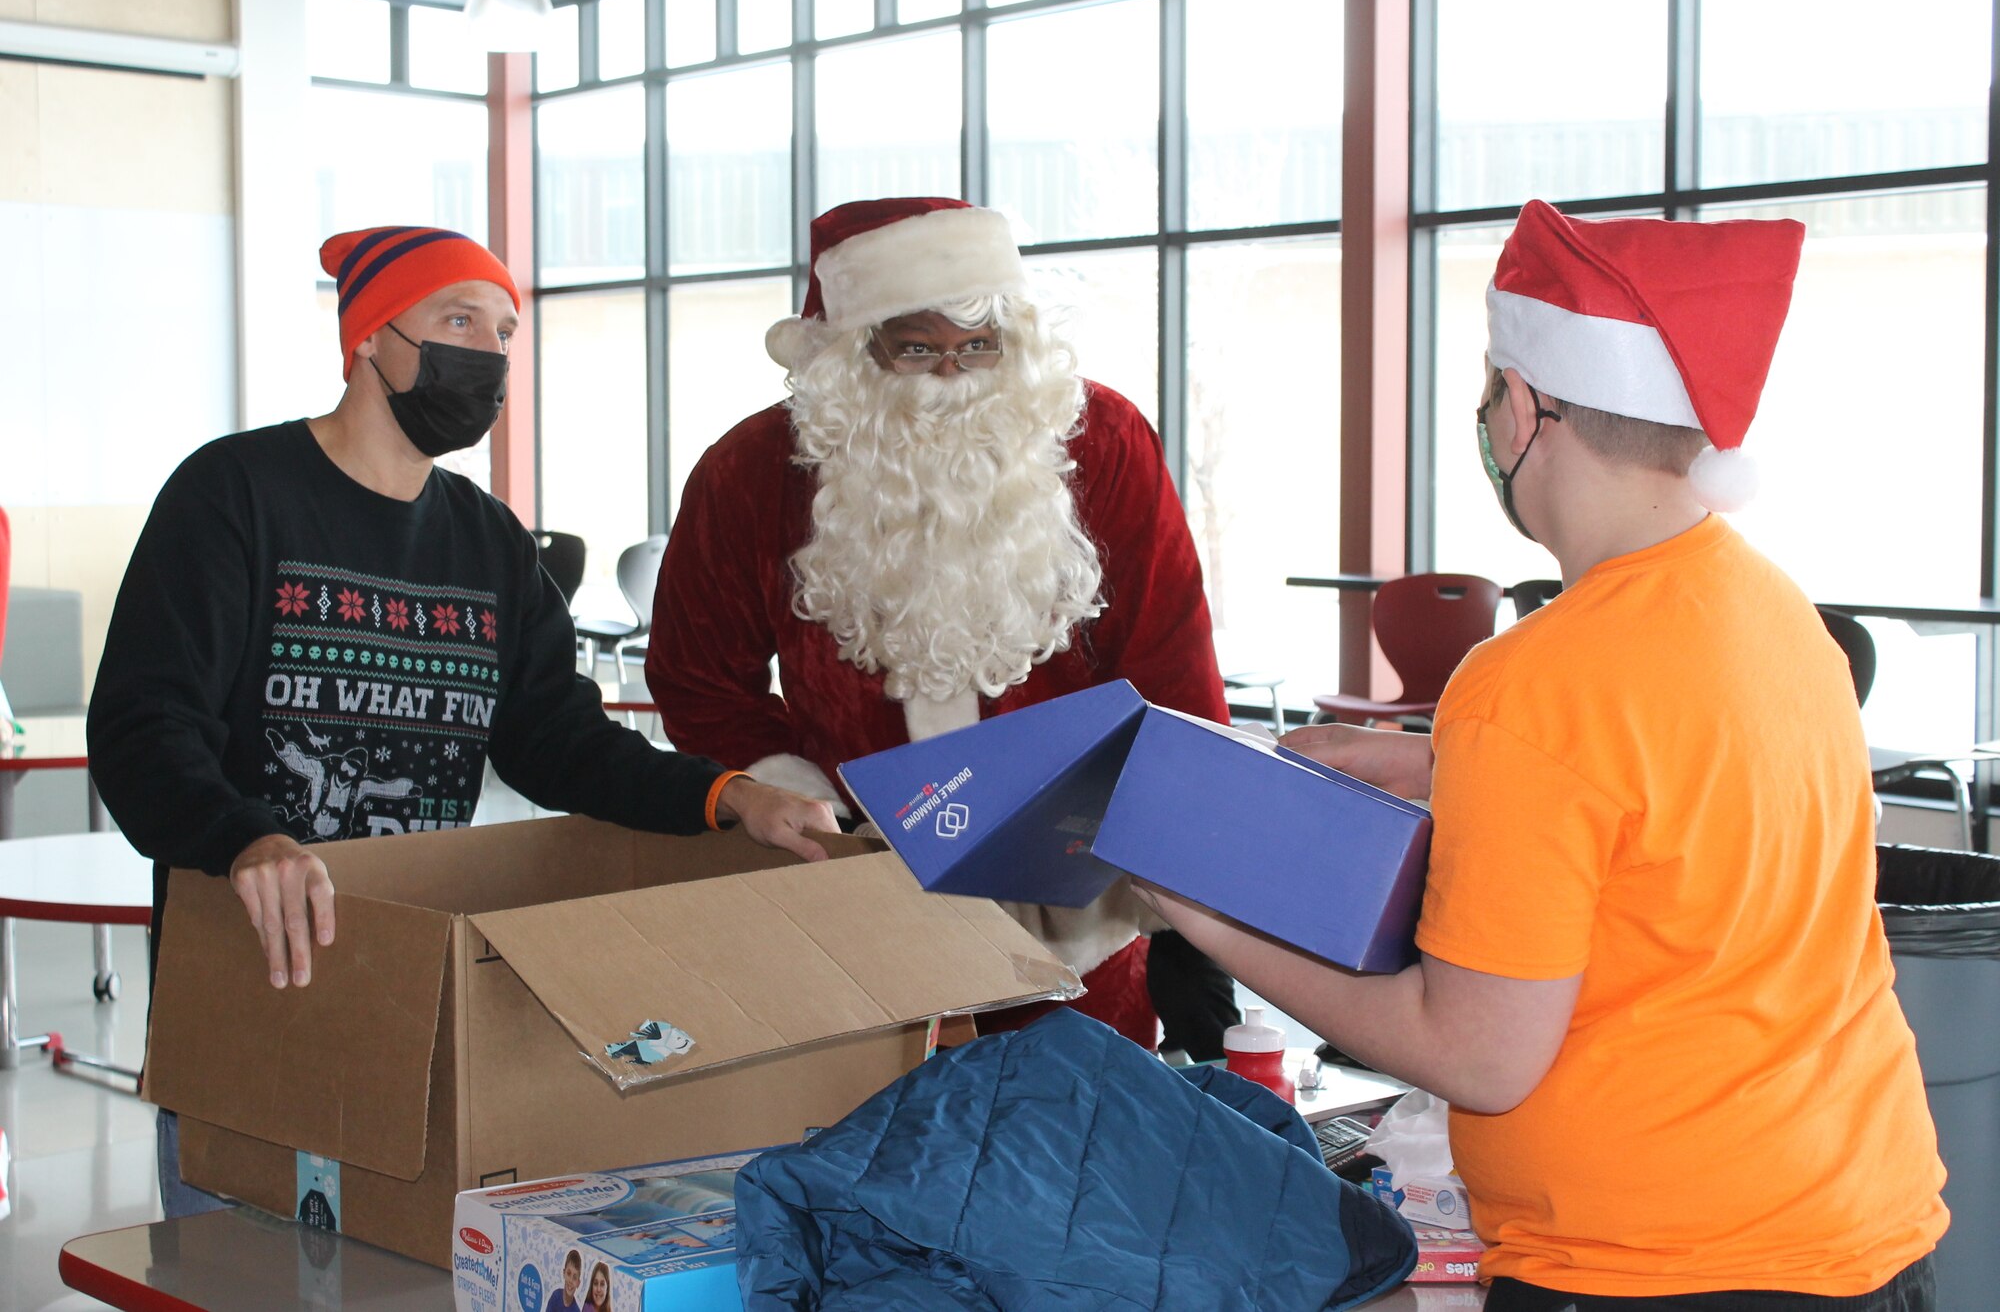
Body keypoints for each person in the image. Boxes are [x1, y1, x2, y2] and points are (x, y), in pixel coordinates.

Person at [1141, 200, 1946, 1308]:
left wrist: (1208, 913)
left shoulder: (1533, 682)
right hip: (1860, 1225)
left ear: (1521, 407)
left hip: (1663, 1275)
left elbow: (1475, 1054)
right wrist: (1445, 770)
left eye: (1485, 394)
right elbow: (1684, 801)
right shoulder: (1770, 611)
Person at [87, 225, 838, 1218]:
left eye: (504, 332)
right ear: (367, 338)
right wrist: (245, 838)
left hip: (410, 991)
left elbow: (557, 740)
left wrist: (728, 796)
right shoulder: (234, 495)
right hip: (251, 981)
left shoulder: (485, 540)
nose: (484, 355)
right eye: (455, 321)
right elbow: (142, 724)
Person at [646, 197, 1239, 1055]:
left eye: (981, 345)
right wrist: (796, 796)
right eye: (919, 348)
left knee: (1070, 1153)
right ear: (854, 352)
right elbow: (699, 680)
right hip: (851, 915)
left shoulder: (1102, 442)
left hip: (1082, 926)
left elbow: (1175, 675)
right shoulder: (750, 473)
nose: (955, 378)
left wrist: (1190, 917)